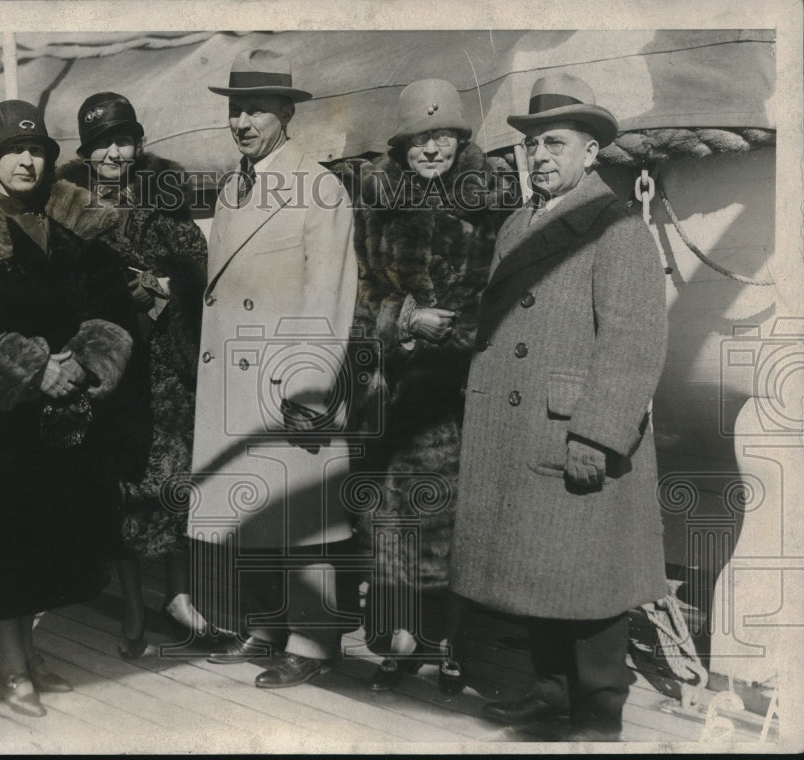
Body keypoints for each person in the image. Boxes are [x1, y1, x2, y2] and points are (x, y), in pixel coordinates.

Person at [449, 74, 669, 741]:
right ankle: (549, 698)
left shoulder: (617, 228)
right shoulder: (518, 223)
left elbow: (633, 344)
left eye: (556, 144)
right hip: (522, 429)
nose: (539, 156)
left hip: (575, 429)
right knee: (538, 573)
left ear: (591, 152)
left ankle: (599, 715)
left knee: (589, 582)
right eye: (532, 144)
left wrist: (597, 436)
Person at [0, 100, 136, 717]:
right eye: (13, 151)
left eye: (37, 150)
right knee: (2, 535)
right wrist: (33, 367)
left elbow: (112, 305)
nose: (27, 161)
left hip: (63, 410)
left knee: (46, 534)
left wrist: (84, 362)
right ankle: (12, 664)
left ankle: (27, 653)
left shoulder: (77, 228)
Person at [188, 48, 360, 688]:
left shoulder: (320, 187)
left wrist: (309, 388)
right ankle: (266, 628)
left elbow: (329, 295)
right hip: (235, 381)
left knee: (300, 518)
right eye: (236, 109)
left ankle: (314, 643)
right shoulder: (234, 187)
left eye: (257, 109)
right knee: (249, 512)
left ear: (287, 114)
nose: (242, 122)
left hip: (287, 382)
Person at [347, 79, 495, 692]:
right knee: (391, 520)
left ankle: (452, 643)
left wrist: (453, 330)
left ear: (460, 139)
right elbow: (364, 288)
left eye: (442, 136)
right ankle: (398, 641)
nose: (431, 149)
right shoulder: (376, 197)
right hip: (391, 384)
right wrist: (405, 320)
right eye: (418, 139)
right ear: (400, 146)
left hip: (459, 390)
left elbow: (500, 293)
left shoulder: (490, 198)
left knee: (452, 521)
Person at [56, 92, 211, 658]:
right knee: (118, 487)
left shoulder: (165, 198)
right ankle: (132, 609)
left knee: (174, 479)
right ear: (86, 152)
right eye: (102, 144)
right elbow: (55, 286)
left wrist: (160, 289)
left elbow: (199, 270)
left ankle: (179, 595)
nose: (114, 154)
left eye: (122, 141)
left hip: (165, 367)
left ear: (139, 144)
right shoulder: (64, 211)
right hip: (109, 370)